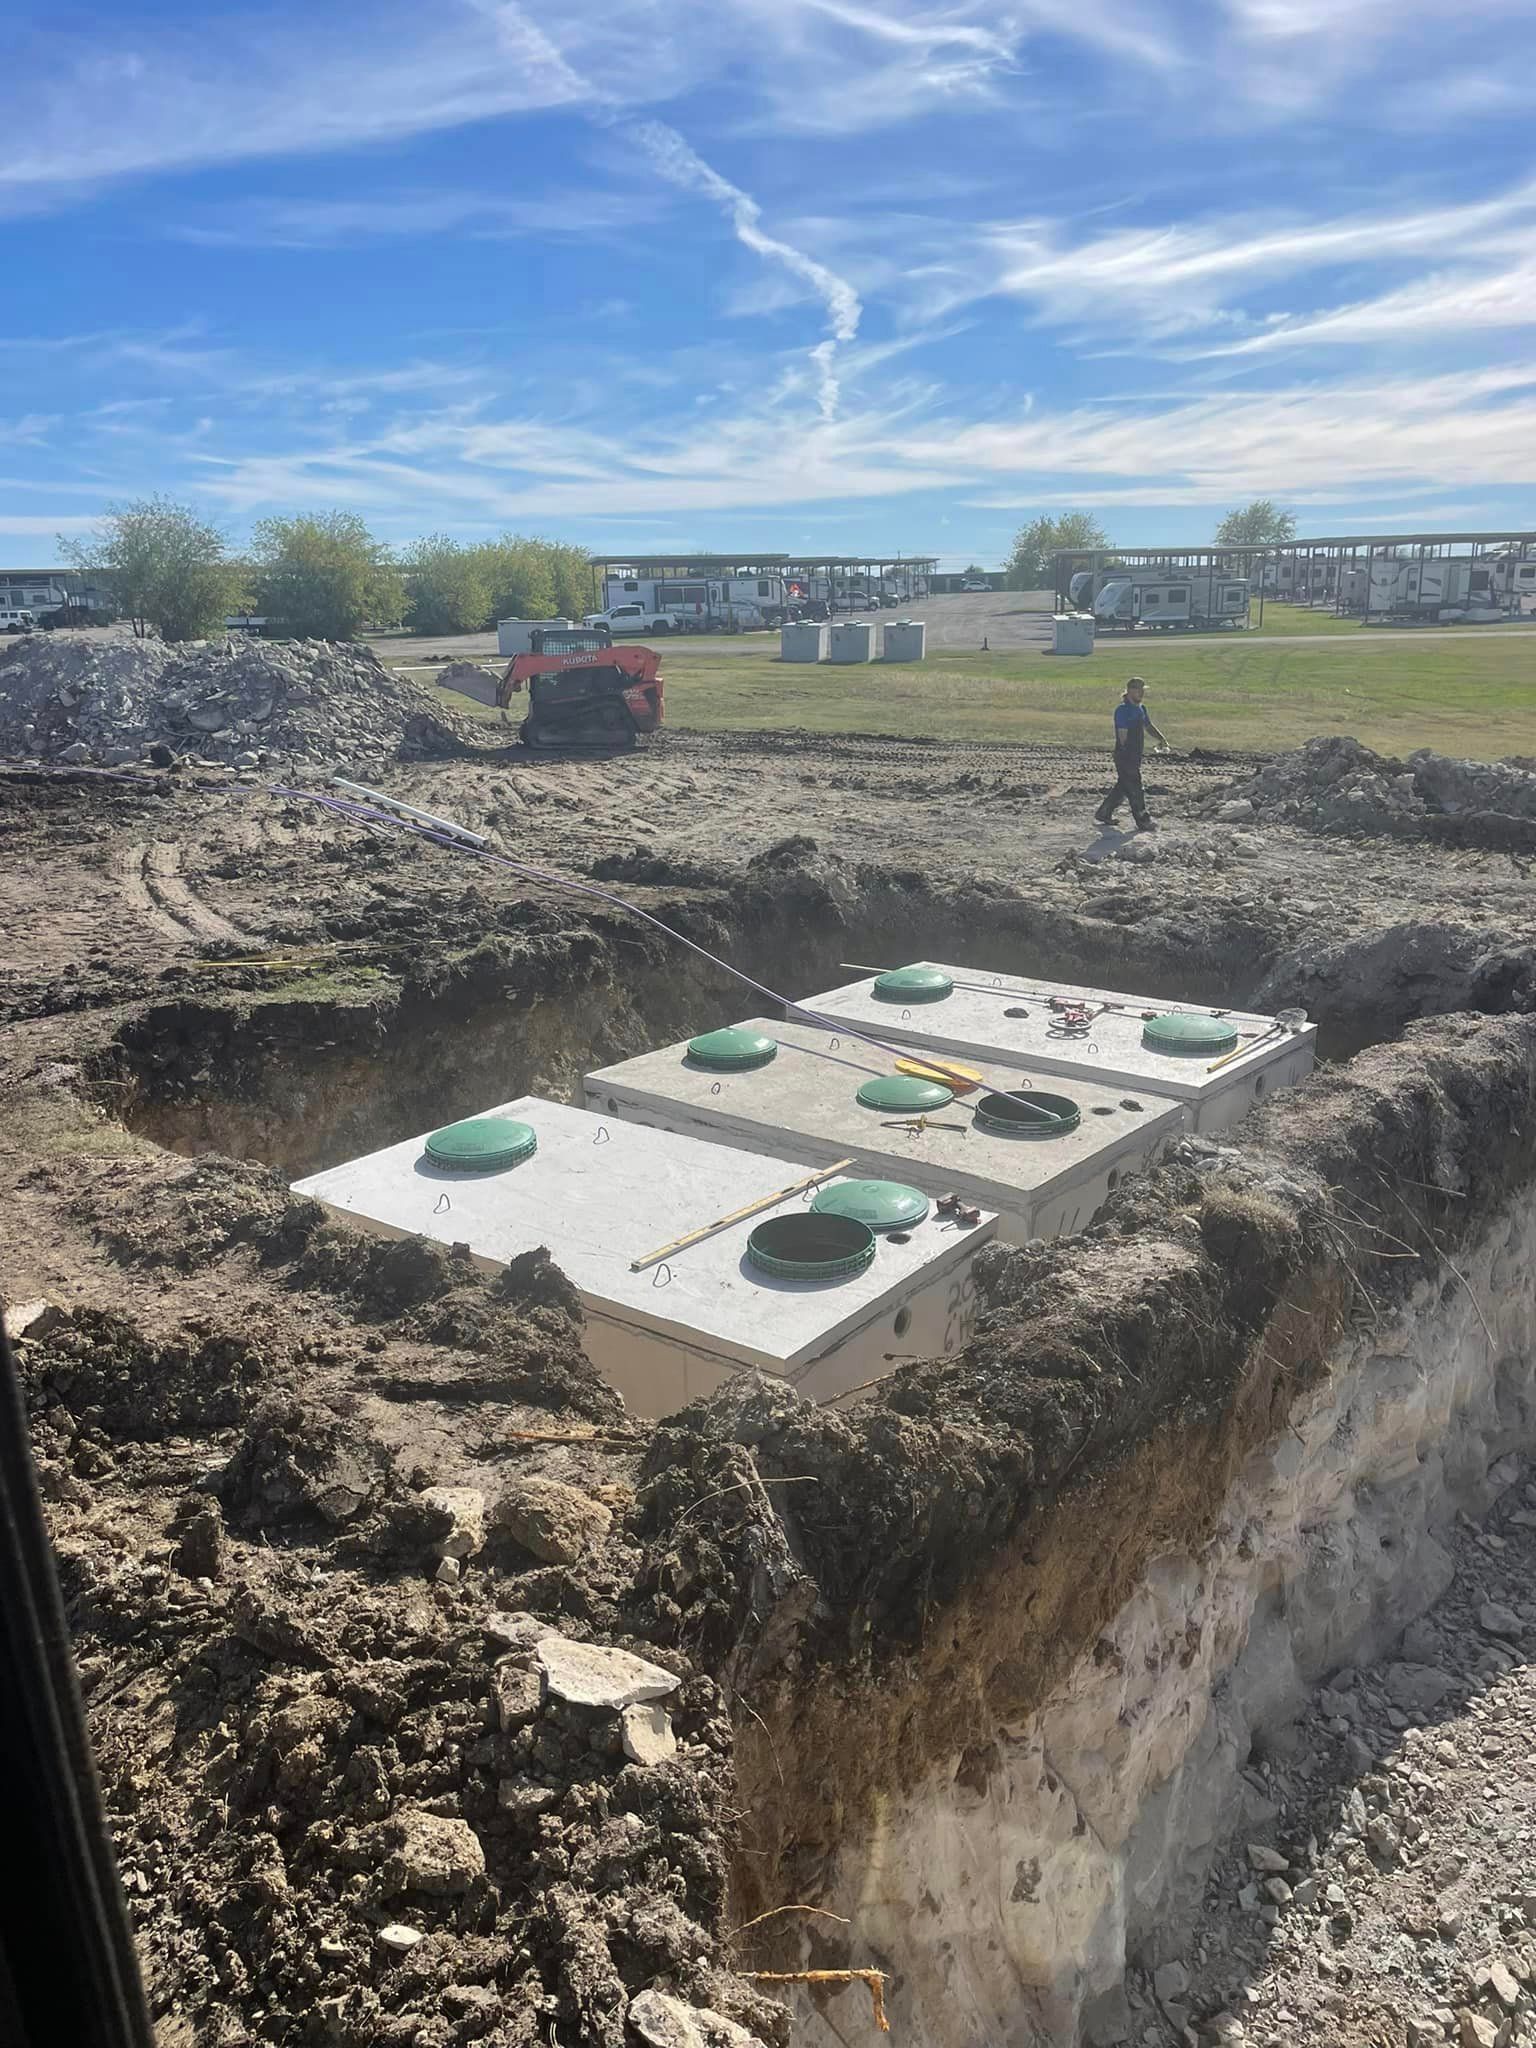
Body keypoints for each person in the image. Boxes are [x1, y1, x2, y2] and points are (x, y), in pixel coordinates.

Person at [1094, 675, 1167, 831]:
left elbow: (1148, 726)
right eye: (1139, 690)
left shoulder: (1141, 709)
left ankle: (1103, 813)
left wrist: (1161, 738)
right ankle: (1143, 820)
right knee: (1135, 787)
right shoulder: (1123, 710)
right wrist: (1126, 752)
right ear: (1130, 691)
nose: (1142, 693)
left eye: (1143, 690)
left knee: (1123, 787)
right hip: (1125, 754)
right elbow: (1122, 733)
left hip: (1135, 754)